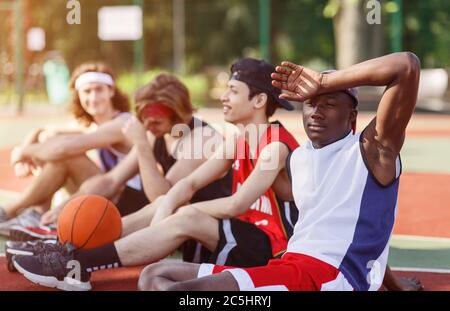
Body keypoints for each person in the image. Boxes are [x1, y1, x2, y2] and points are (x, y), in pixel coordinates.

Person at [136, 52, 422, 291]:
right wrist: (396, 286)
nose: (316, 112)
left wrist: (322, 81)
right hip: (289, 268)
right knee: (154, 276)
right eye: (311, 103)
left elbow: (406, 66)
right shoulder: (300, 159)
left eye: (330, 104)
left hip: (325, 278)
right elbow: (360, 234)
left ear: (352, 117)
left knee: (183, 292)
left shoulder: (371, 152)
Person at [12, 58, 299, 291]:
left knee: (184, 212)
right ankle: (68, 253)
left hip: (273, 249)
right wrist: (167, 208)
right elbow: (188, 183)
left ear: (259, 100)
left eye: (232, 91)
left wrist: (175, 210)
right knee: (171, 204)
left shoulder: (274, 148)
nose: (223, 97)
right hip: (235, 233)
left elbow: (237, 204)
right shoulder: (238, 140)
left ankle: (79, 262)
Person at [37, 73, 231, 227]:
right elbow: (112, 180)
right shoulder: (156, 131)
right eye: (144, 119)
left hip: (202, 223)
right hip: (164, 215)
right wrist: (65, 207)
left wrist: (142, 146)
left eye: (156, 121)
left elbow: (163, 198)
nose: (147, 126)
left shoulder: (201, 139)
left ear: (179, 116)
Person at [0, 62, 134, 236]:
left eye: (99, 90)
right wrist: (22, 154)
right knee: (50, 142)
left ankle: (11, 210)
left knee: (67, 155)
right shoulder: (95, 126)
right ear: (78, 95)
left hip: (128, 203)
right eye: (87, 91)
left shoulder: (122, 124)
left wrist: (22, 152)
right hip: (107, 193)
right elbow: (44, 131)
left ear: (111, 91)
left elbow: (63, 149)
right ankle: (37, 213)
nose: (93, 97)